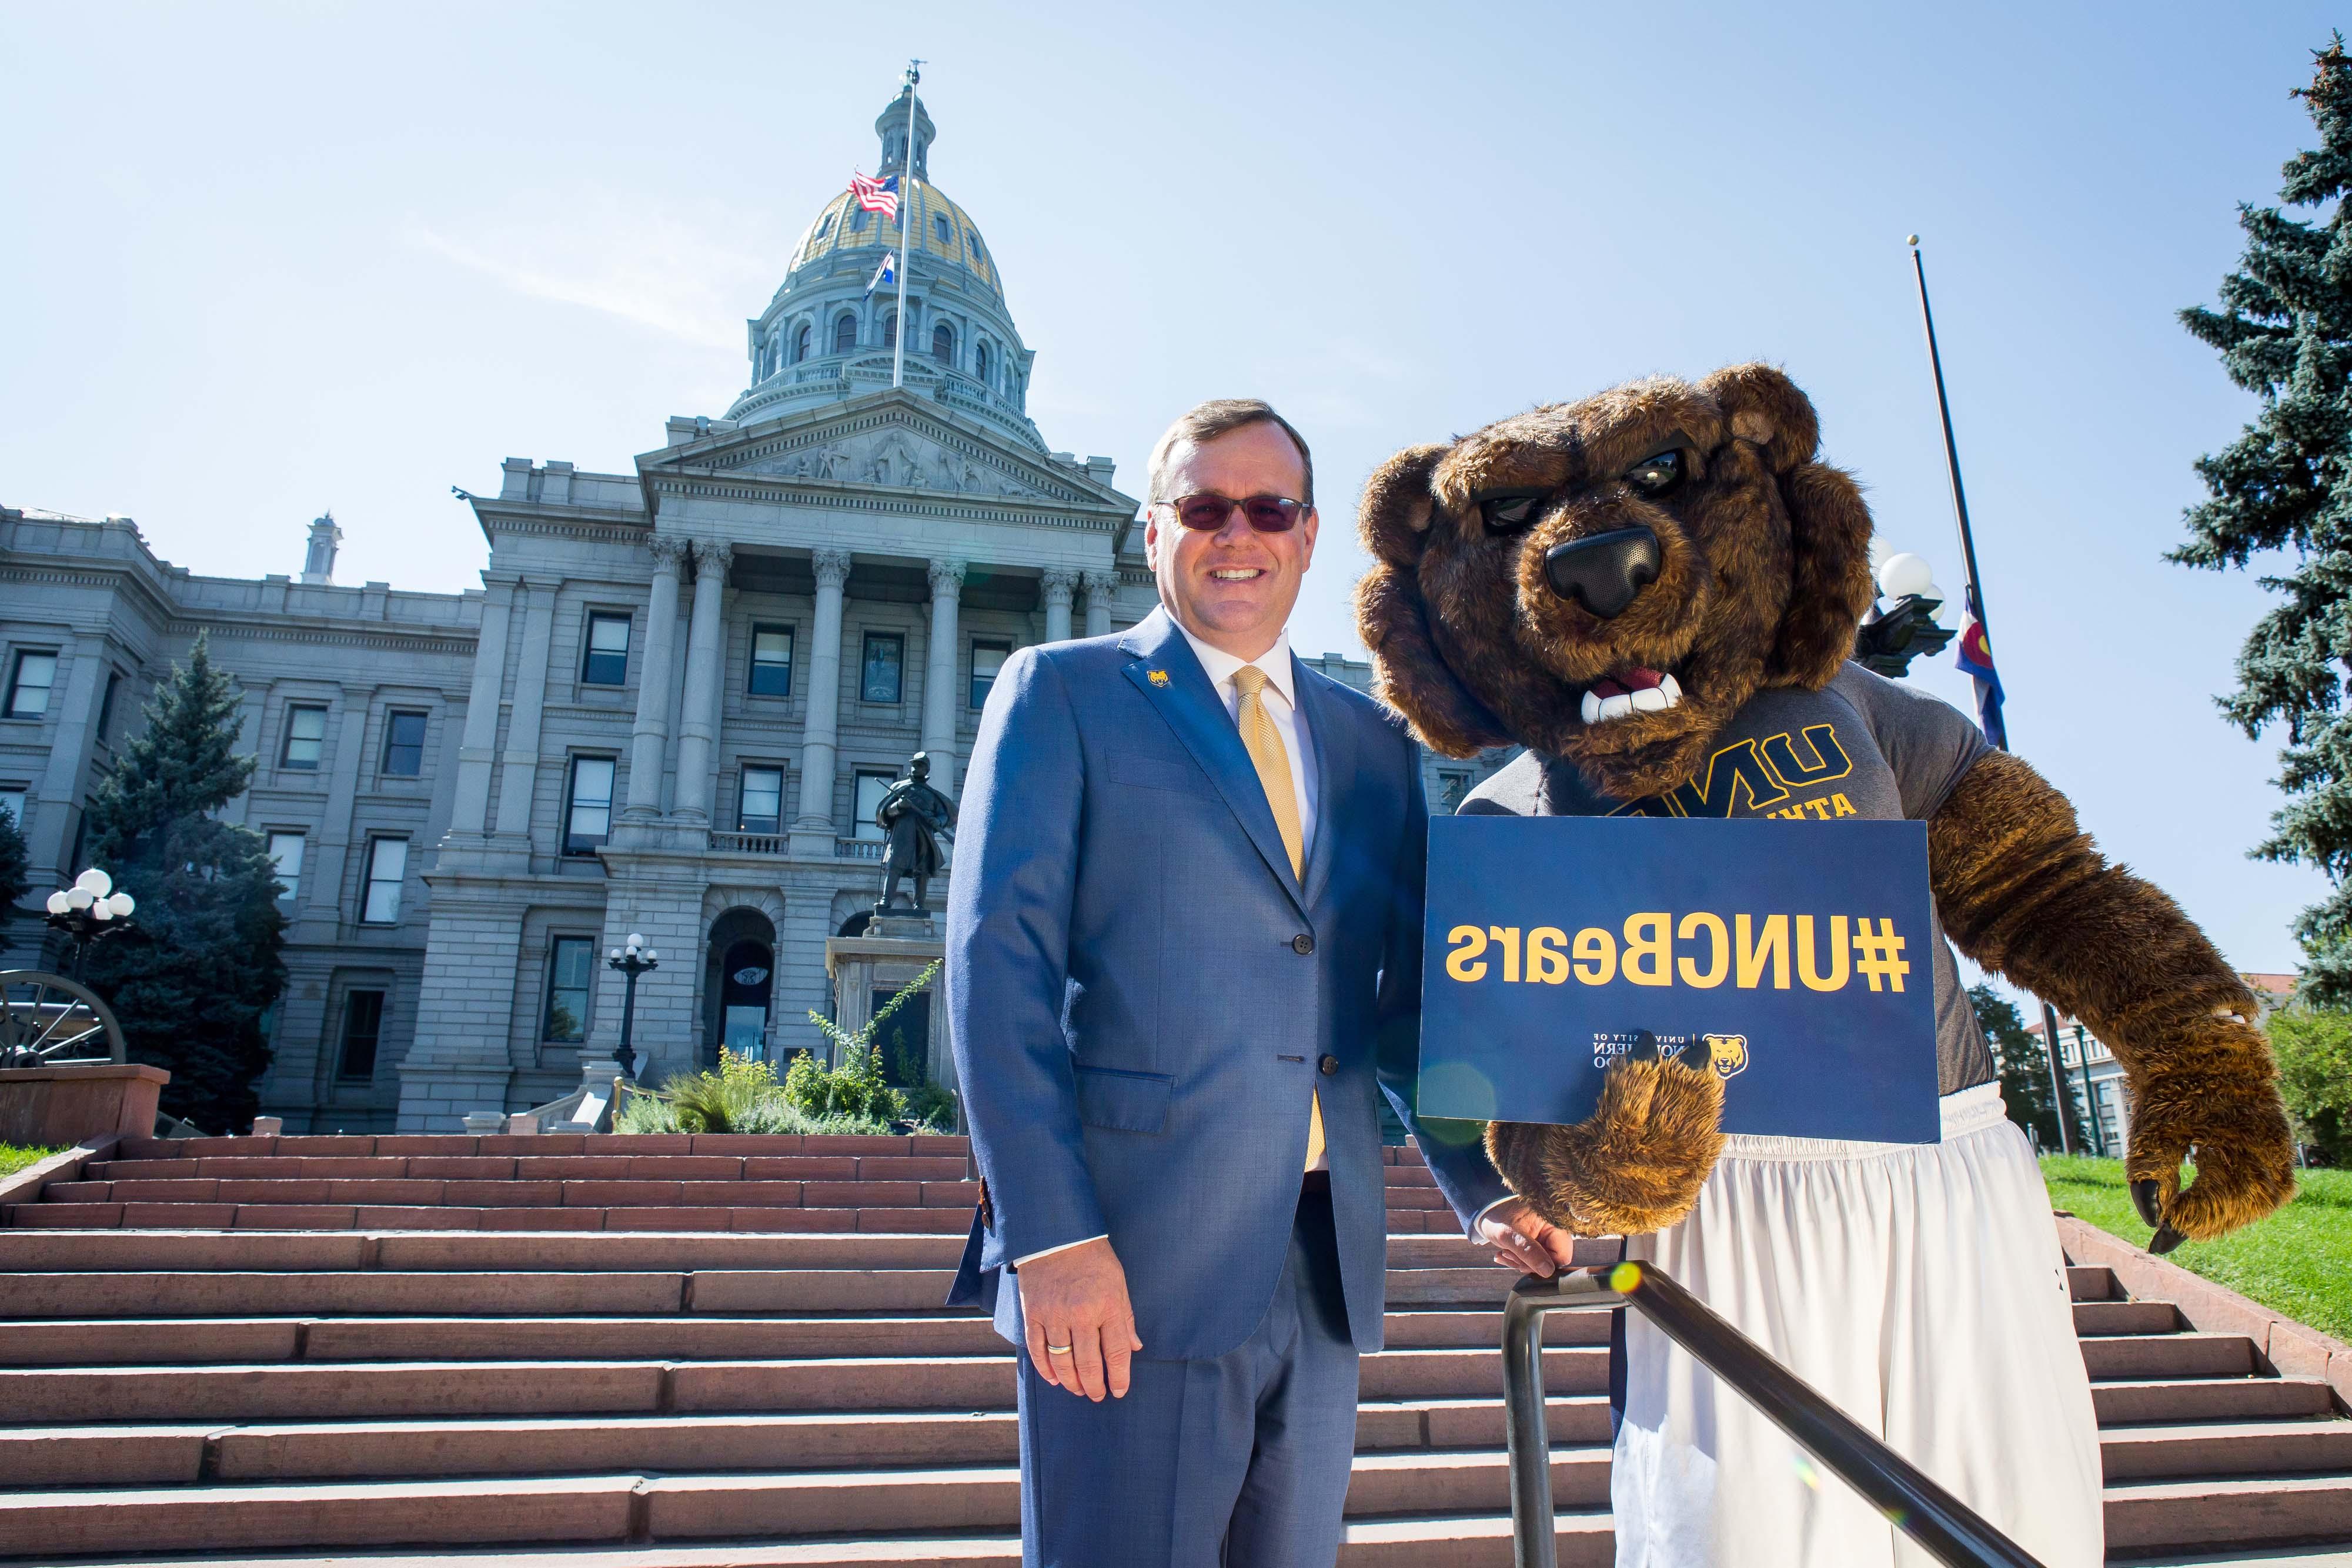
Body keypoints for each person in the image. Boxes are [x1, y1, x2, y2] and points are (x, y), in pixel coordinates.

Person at [946, 399, 1579, 1567]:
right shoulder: (1061, 694)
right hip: (1125, 1263)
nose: (1234, 533)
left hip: (1320, 1267)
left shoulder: (1374, 746)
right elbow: (999, 978)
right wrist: (1049, 1239)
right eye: (1201, 506)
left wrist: (1487, 1182)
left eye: (1266, 507)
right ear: (1152, 533)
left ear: (1305, 531)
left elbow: (1401, 1013)